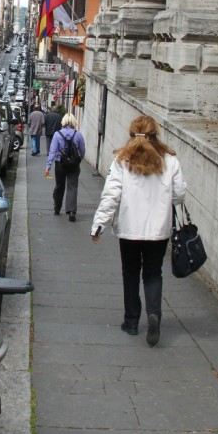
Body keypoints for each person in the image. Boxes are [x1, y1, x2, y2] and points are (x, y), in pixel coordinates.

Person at [90, 115, 187, 347]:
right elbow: (179, 195)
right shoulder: (170, 161)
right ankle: (154, 314)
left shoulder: (121, 160)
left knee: (130, 273)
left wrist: (99, 224)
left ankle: (131, 321)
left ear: (131, 133)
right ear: (155, 134)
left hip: (129, 229)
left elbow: (111, 195)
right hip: (158, 230)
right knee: (153, 273)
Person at [45, 114, 85, 221]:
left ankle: (57, 208)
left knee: (59, 185)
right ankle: (71, 211)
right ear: (73, 122)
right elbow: (82, 150)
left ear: (63, 122)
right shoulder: (78, 134)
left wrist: (48, 165)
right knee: (72, 186)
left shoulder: (57, 134)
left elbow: (52, 151)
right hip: (74, 165)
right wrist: (79, 159)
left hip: (60, 164)